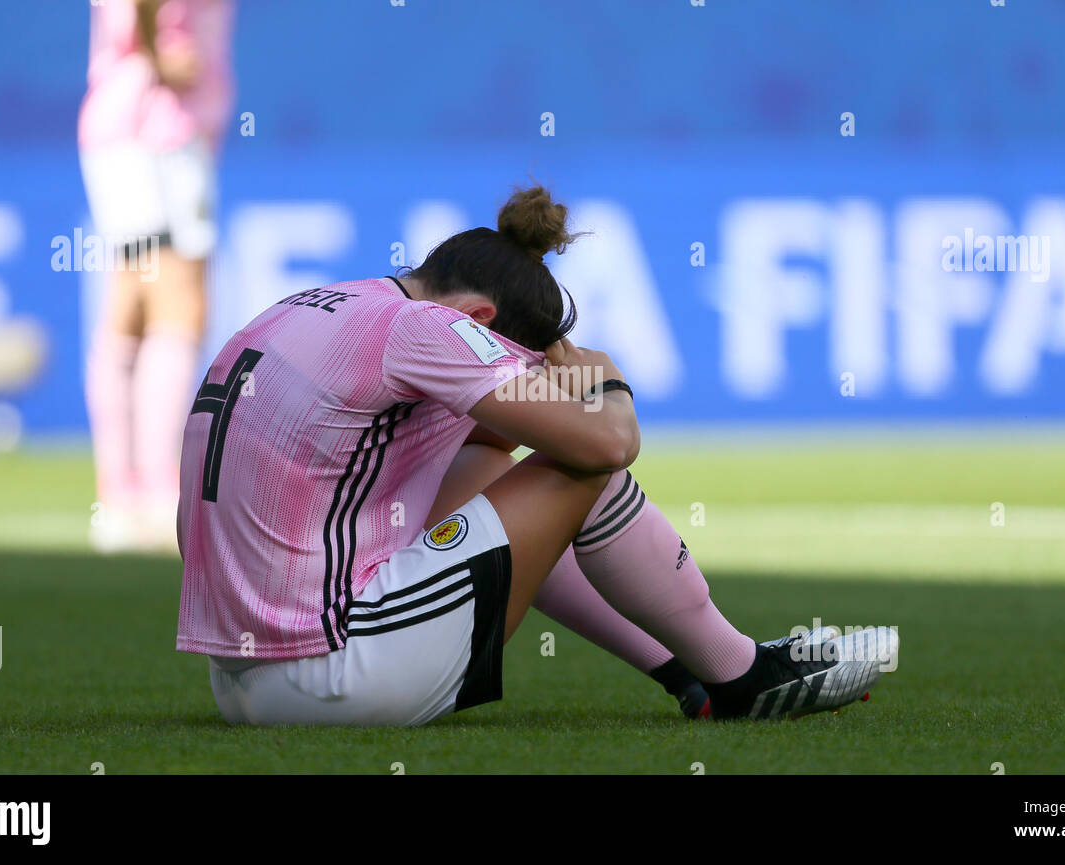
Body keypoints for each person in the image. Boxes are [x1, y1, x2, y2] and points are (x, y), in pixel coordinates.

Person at [176, 186, 898, 726]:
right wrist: (607, 379)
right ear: (481, 320)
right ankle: (740, 672)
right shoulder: (429, 329)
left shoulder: (317, 304)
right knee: (583, 463)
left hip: (240, 682)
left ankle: (692, 673)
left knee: (484, 468)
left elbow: (477, 456)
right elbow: (607, 442)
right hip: (336, 677)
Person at [79, 0, 234, 551]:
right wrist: (156, 56)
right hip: (158, 128)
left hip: (137, 123)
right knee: (177, 303)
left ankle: (123, 495)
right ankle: (152, 492)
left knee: (132, 304)